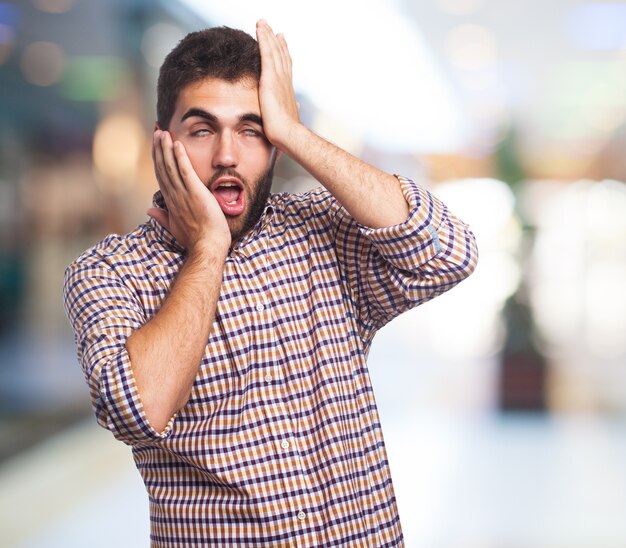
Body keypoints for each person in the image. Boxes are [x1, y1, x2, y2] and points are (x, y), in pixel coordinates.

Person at [63, 20, 478, 546]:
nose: (228, 156)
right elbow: (138, 411)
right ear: (162, 143)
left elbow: (451, 254)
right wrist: (208, 248)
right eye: (202, 129)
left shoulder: (320, 233)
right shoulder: (109, 271)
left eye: (252, 130)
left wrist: (297, 133)